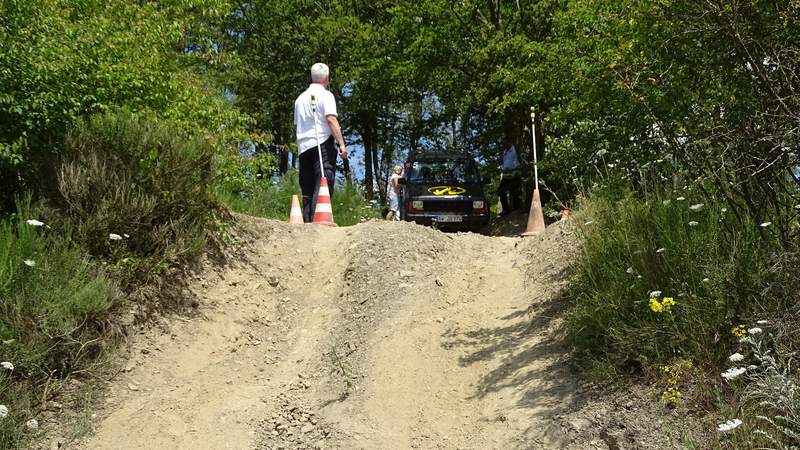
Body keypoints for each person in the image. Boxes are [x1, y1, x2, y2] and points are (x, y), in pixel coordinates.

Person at [294, 63, 348, 222]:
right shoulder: (326, 96)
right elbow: (331, 119)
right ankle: (318, 221)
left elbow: (297, 125)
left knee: (307, 184)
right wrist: (341, 144)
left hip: (303, 146)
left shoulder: (300, 99)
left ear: (311, 77)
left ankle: (307, 220)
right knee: (324, 179)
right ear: (327, 78)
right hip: (321, 143)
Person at [497, 139, 522, 216]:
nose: (503, 146)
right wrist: (501, 153)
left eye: (504, 144)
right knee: (501, 191)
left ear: (509, 142)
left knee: (515, 192)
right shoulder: (505, 152)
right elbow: (501, 163)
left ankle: (516, 209)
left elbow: (520, 159)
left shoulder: (515, 149)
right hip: (506, 175)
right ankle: (506, 209)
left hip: (515, 174)